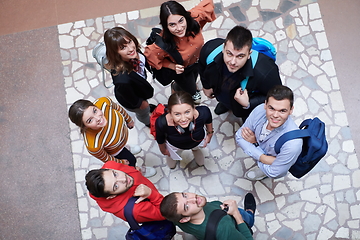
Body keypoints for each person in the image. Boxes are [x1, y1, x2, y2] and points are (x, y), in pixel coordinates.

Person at [198, 25, 282, 121]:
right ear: (223, 48)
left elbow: (277, 96)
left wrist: (248, 103)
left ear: (249, 54)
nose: (233, 62)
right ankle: (225, 105)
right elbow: (201, 65)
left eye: (240, 56)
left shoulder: (266, 72)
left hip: (244, 107)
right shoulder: (210, 49)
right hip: (221, 91)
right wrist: (206, 86)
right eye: (229, 54)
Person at [144, 0, 216, 103]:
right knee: (190, 88)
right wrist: (172, 66)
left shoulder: (194, 19)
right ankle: (181, 89)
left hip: (198, 62)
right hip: (184, 71)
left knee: (195, 78)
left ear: (185, 17)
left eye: (181, 21)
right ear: (166, 26)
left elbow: (207, 4)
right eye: (172, 25)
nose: (179, 28)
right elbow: (150, 57)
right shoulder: (163, 43)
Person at [68, 96, 156, 177]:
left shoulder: (104, 102)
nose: (98, 118)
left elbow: (118, 108)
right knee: (131, 160)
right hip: (116, 151)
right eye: (90, 120)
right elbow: (107, 158)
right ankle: (137, 171)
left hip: (120, 140)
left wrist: (128, 120)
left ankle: (125, 147)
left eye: (95, 111)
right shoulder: (93, 145)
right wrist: (120, 162)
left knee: (124, 148)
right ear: (84, 126)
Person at [235, 85, 303, 180]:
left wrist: (255, 148)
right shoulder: (259, 110)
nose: (275, 115)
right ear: (265, 104)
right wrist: (264, 158)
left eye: (282, 111)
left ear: (291, 110)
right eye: (271, 108)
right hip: (267, 154)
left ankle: (263, 172)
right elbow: (239, 136)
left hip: (275, 156)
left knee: (268, 170)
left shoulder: (293, 144)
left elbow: (274, 173)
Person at [104, 27, 154, 127]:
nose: (131, 48)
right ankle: (147, 122)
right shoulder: (122, 80)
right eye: (123, 48)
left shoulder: (133, 55)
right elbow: (129, 97)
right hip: (133, 101)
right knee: (143, 112)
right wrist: (141, 104)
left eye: (130, 42)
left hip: (137, 89)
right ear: (115, 53)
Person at [86, 161, 164, 222]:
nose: (124, 179)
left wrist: (134, 170)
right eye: (116, 186)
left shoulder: (111, 165)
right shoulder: (136, 210)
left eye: (115, 174)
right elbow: (164, 214)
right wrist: (152, 194)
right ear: (112, 196)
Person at [160, 192, 256, 240]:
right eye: (186, 206)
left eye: (185, 195)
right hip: (232, 218)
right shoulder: (224, 228)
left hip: (219, 212)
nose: (193, 198)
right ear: (185, 219)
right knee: (247, 218)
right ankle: (250, 213)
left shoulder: (175, 217)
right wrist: (236, 214)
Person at [155, 91, 213, 169]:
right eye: (177, 114)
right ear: (170, 113)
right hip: (174, 145)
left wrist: (209, 134)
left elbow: (208, 122)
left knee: (197, 153)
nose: (183, 119)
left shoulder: (204, 112)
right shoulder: (161, 122)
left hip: (196, 142)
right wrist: (163, 150)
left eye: (187, 112)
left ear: (193, 108)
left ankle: (195, 150)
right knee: (171, 163)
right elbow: (160, 138)